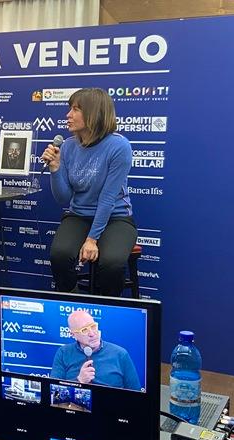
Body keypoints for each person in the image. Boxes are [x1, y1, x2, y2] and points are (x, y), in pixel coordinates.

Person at [42, 88, 136, 297]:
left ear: (94, 113)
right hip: (79, 215)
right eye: (70, 108)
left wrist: (92, 239)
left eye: (76, 109)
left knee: (112, 263)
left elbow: (108, 198)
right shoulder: (68, 146)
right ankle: (74, 304)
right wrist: (55, 169)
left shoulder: (119, 146)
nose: (68, 115)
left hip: (116, 217)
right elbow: (63, 198)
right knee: (60, 255)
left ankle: (108, 307)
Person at [50, 310, 141, 390]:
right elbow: (54, 393)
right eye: (84, 330)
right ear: (73, 335)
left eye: (93, 326)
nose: (92, 333)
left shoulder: (120, 354)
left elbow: (136, 394)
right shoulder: (63, 353)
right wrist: (79, 381)